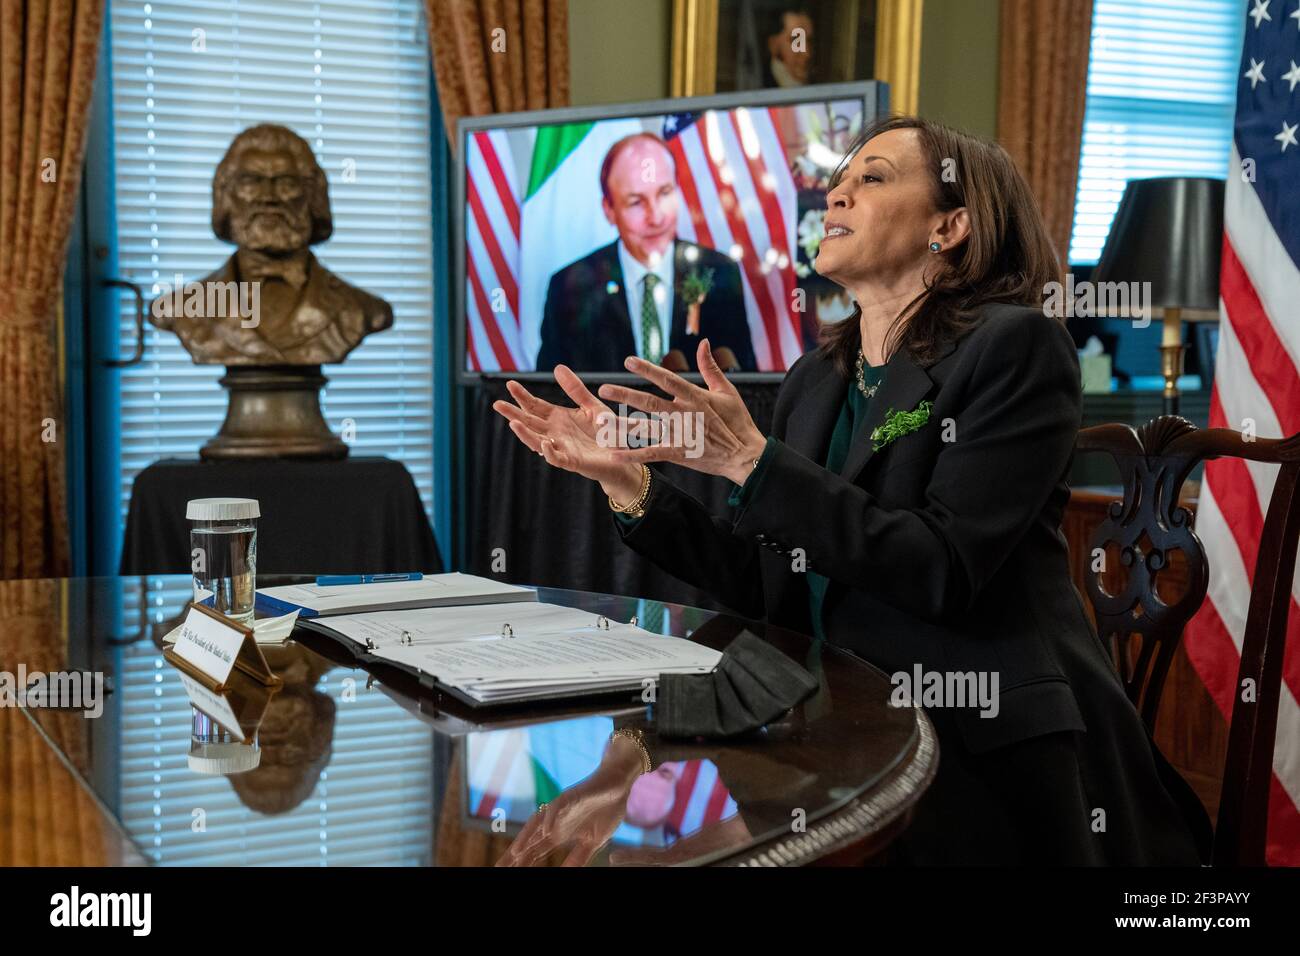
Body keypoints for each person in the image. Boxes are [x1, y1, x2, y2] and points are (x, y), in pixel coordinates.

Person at [493, 115, 1214, 865]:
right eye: (835, 183)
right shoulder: (816, 378)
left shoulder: (1017, 347)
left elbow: (940, 570)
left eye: (870, 179)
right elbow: (766, 581)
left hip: (974, 747)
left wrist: (752, 463)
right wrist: (631, 486)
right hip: (830, 732)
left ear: (951, 224)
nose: (835, 197)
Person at [149, 123, 393, 365]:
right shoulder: (182, 308)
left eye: (286, 183)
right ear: (227, 196)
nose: (268, 197)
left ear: (311, 196)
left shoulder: (359, 309)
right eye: (251, 182)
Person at [535, 133, 756, 373]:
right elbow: (549, 395)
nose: (656, 217)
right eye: (636, 202)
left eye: (664, 193)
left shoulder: (719, 272)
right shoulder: (569, 286)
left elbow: (744, 389)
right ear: (609, 210)